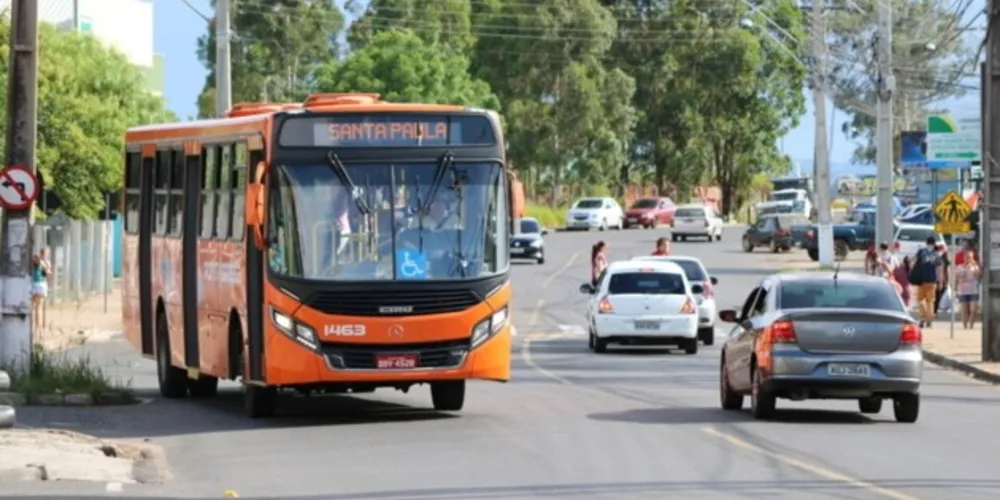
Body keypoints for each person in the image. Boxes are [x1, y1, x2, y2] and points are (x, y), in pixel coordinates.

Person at [909, 236, 941, 327]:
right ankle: (929, 319)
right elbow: (939, 267)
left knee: (920, 299)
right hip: (932, 280)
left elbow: (912, 260)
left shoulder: (921, 252)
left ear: (926, 242)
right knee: (930, 301)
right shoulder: (936, 254)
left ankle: (923, 316)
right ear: (934, 244)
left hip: (921, 279)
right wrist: (940, 281)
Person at [955, 244, 981, 329]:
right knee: (964, 310)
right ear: (964, 258)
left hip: (973, 290)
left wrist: (975, 266)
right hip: (963, 291)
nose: (968, 259)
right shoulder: (959, 267)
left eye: (970, 257)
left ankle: (971, 325)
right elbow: (959, 277)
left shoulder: (975, 266)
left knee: (974, 309)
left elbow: (978, 275)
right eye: (967, 257)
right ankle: (965, 326)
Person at [31, 248, 50, 332]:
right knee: (39, 309)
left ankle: (31, 328)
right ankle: (38, 329)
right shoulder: (43, 263)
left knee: (31, 309)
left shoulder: (30, 264)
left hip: (32, 285)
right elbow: (46, 274)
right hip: (41, 286)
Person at [934, 242, 951, 316]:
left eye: (942, 248)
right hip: (935, 279)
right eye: (939, 248)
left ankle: (935, 310)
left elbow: (947, 270)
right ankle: (934, 310)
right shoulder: (935, 256)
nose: (940, 249)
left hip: (942, 280)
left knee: (938, 295)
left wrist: (947, 281)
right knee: (936, 295)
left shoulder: (944, 257)